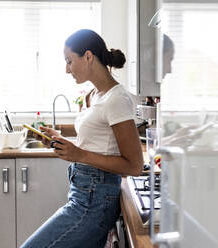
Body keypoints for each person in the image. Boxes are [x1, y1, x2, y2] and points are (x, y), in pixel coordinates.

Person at [21, 29, 143, 248]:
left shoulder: (117, 99)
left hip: (94, 203)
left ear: (88, 56)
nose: (67, 69)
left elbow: (134, 165)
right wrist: (61, 141)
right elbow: (98, 145)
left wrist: (79, 154)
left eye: (69, 61)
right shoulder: (94, 95)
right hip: (83, 195)